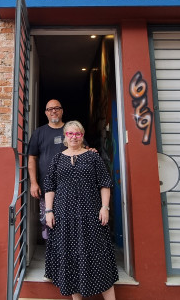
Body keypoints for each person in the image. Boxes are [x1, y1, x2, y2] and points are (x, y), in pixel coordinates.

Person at [44, 120, 118, 300]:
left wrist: (105, 207)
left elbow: (104, 184)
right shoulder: (58, 159)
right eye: (70, 133)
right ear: (65, 137)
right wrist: (49, 211)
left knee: (99, 259)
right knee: (71, 260)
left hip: (91, 215)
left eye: (77, 133)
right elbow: (50, 186)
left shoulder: (93, 157)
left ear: (82, 136)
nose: (74, 137)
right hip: (64, 216)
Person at [28, 99, 67, 239]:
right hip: (46, 187)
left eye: (57, 108)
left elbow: (84, 150)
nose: (53, 111)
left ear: (62, 111)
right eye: (50, 109)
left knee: (67, 221)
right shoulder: (39, 133)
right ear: (46, 113)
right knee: (48, 221)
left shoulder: (70, 131)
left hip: (69, 187)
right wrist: (33, 182)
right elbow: (31, 158)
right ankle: (52, 253)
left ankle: (66, 251)